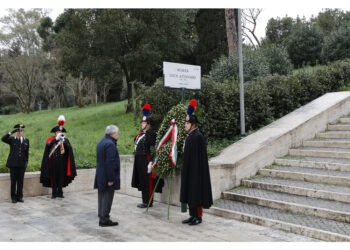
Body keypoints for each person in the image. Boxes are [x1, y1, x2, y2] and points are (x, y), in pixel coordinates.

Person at [180, 99, 213, 226]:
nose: (185, 125)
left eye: (187, 124)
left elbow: (201, 157)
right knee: (190, 192)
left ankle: (198, 216)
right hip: (189, 169)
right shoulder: (189, 137)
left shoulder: (198, 136)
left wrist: (196, 171)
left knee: (196, 193)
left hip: (197, 171)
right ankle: (191, 215)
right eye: (185, 123)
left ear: (193, 124)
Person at [131, 103, 163, 208]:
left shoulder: (151, 134)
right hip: (139, 159)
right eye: (142, 122)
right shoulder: (140, 134)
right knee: (142, 180)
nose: (142, 124)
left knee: (147, 181)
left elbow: (154, 149)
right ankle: (145, 200)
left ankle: (148, 201)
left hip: (146, 159)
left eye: (144, 122)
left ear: (148, 124)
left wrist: (152, 162)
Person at [40, 115, 77, 199]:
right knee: (53, 177)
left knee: (61, 176)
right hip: (53, 161)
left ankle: (60, 192)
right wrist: (56, 139)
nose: (59, 133)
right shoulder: (51, 139)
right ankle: (54, 192)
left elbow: (69, 150)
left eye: (61, 133)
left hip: (62, 161)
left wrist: (65, 142)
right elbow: (48, 145)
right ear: (55, 133)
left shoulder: (65, 140)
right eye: (58, 132)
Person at [94, 125, 120, 227]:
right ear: (112, 134)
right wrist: (111, 179)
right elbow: (110, 163)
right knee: (107, 198)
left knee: (101, 196)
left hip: (100, 175)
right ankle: (104, 219)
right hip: (107, 176)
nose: (118, 135)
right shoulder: (110, 145)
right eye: (117, 133)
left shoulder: (102, 142)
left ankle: (102, 216)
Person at [1, 124, 29, 203]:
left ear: (22, 131)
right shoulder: (12, 139)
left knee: (21, 182)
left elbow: (27, 153)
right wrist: (11, 132)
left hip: (22, 165)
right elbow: (3, 139)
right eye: (18, 131)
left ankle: (19, 197)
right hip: (13, 165)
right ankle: (13, 197)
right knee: (13, 182)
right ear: (16, 132)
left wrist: (26, 162)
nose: (20, 132)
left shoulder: (26, 140)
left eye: (21, 130)